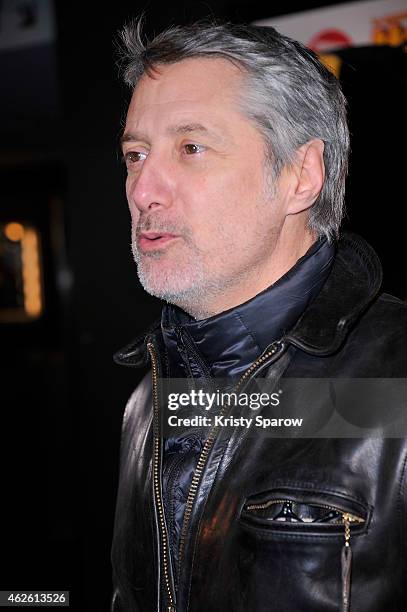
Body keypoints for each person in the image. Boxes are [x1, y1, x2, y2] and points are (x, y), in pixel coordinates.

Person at [111, 19, 407, 612]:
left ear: (302, 176)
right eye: (135, 154)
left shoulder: (396, 377)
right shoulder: (150, 397)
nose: (144, 189)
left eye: (191, 147)